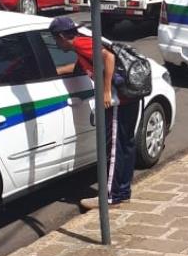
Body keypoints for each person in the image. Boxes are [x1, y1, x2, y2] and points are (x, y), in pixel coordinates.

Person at [49, 17, 138, 209]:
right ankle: (123, 192)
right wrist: (57, 71)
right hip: (130, 97)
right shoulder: (83, 43)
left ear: (63, 36)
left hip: (118, 100)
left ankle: (111, 197)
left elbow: (108, 58)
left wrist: (105, 90)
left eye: (56, 40)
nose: (57, 44)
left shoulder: (81, 43)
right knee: (125, 146)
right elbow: (79, 67)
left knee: (113, 149)